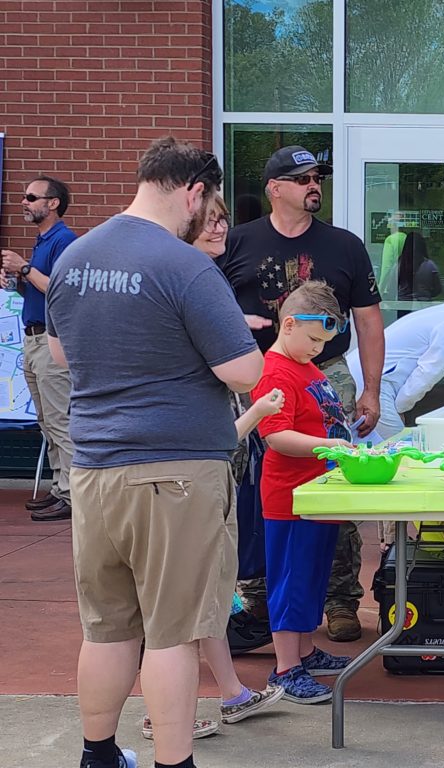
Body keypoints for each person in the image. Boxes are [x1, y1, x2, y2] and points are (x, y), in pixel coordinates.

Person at [46, 137, 264, 768]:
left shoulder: (75, 258)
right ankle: (176, 761)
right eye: (211, 203)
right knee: (173, 634)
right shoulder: (184, 265)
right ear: (193, 192)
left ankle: (98, 754)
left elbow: (62, 356)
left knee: (108, 627)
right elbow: (245, 373)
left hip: (94, 471)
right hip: (177, 473)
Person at [135, 196, 287, 742]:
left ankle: (232, 693)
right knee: (173, 608)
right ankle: (162, 718)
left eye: (225, 220)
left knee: (208, 599)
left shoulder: (202, 276)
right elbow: (238, 375)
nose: (220, 228)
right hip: (186, 467)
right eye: (211, 219)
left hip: (205, 465)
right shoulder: (183, 279)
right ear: (186, 220)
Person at [220, 144, 385, 644]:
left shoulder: (344, 245)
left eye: (318, 178)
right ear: (274, 188)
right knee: (245, 490)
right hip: (247, 375)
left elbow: (369, 321)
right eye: (302, 178)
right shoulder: (235, 241)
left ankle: (339, 598)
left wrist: (371, 389)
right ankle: (259, 596)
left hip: (325, 373)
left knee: (333, 478)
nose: (314, 185)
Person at [251, 280, 355, 703]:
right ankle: (285, 667)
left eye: (325, 342)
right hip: (290, 496)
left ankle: (305, 651)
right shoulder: (275, 370)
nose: (318, 348)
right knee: (290, 581)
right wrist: (328, 445)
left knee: (312, 578)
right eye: (313, 340)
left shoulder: (307, 365)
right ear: (288, 324)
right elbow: (275, 437)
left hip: (317, 493)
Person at [347, 263, 444, 439]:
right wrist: (400, 408)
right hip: (373, 384)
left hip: (364, 378)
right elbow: (428, 373)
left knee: (368, 447)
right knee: (399, 451)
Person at [1, 176, 77, 522]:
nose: (24, 202)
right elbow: (36, 290)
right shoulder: (41, 241)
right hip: (32, 339)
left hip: (52, 341)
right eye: (24, 195)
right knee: (47, 422)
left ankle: (74, 494)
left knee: (60, 420)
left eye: (32, 197)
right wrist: (16, 279)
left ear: (53, 204)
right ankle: (61, 486)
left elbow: (62, 289)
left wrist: (25, 268)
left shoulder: (64, 241)